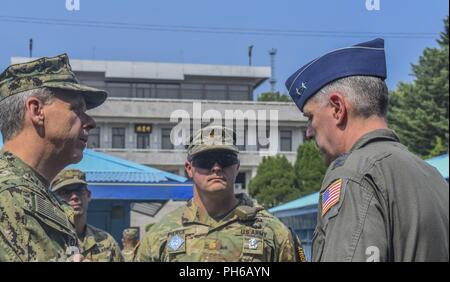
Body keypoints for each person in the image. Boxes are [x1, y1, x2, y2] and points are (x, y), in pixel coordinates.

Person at [285, 38, 449, 262]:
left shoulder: (355, 175)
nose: (309, 132)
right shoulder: (433, 176)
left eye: (310, 117)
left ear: (337, 108)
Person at [136, 125, 306, 262]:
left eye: (225, 159)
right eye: (205, 161)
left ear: (237, 166)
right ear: (189, 168)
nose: (216, 168)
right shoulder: (160, 235)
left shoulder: (273, 232)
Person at [0, 54, 107, 261]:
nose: (90, 122)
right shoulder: (7, 195)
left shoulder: (32, 194)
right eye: (76, 109)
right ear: (37, 110)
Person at [51, 169, 123, 262]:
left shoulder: (106, 241)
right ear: (53, 200)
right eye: (65, 193)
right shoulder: (43, 240)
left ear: (88, 195)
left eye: (79, 191)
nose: (74, 197)